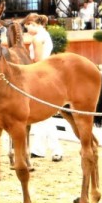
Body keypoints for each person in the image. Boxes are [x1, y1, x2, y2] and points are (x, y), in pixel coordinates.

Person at [22, 13, 63, 162]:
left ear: (33, 23)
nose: (26, 29)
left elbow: (37, 61)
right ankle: (38, 149)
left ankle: (55, 148)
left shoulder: (37, 38)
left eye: (27, 26)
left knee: (43, 114)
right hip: (46, 74)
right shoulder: (44, 34)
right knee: (41, 115)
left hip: (40, 75)